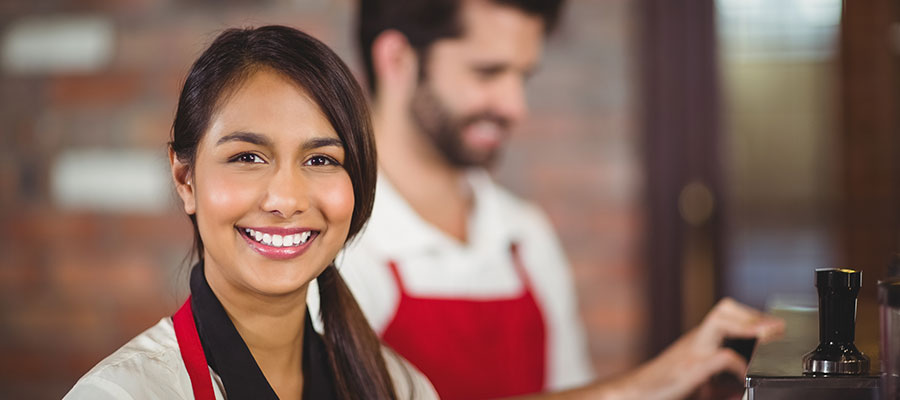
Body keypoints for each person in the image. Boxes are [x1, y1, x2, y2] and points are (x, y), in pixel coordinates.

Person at [330, 0, 785, 399]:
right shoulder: (336, 241)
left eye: (523, 76)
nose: (515, 106)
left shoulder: (525, 234)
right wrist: (640, 386)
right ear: (397, 59)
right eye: (488, 72)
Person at [64, 25, 436, 400]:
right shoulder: (120, 393)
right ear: (185, 179)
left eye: (320, 159)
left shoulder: (401, 388)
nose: (286, 200)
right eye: (247, 157)